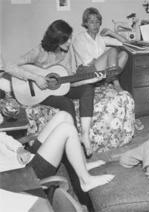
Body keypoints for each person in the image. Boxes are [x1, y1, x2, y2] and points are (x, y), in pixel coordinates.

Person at [7, 20, 103, 157]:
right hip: (41, 93)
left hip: (61, 87)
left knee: (88, 88)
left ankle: (85, 136)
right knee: (66, 103)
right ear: (56, 39)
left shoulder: (67, 51)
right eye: (67, 39)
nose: (70, 41)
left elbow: (69, 81)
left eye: (70, 37)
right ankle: (74, 142)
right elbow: (9, 66)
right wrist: (35, 78)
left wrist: (90, 80)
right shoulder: (39, 51)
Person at [0, 111, 114, 192]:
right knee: (67, 129)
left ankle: (83, 165)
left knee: (64, 116)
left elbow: (2, 136)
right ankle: (86, 181)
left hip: (25, 157)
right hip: (23, 174)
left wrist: (19, 149)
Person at [73, 7, 129, 91]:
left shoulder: (101, 38)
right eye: (92, 22)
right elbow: (89, 63)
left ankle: (106, 82)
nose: (95, 25)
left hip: (100, 72)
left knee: (124, 54)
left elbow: (126, 43)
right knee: (112, 50)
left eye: (97, 22)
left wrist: (111, 33)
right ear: (86, 23)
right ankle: (116, 83)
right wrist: (108, 62)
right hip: (85, 72)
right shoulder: (79, 38)